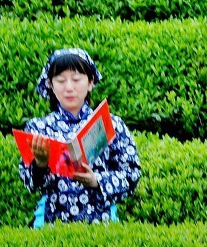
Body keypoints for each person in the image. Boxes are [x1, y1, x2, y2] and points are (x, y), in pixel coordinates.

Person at [20, 48, 141, 226]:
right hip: (53, 223)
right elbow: (31, 184)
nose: (69, 87)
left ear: (90, 82)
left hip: (101, 222)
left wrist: (97, 181)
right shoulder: (38, 128)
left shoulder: (110, 124)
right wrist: (40, 165)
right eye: (60, 81)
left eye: (76, 79)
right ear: (51, 86)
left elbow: (132, 173)